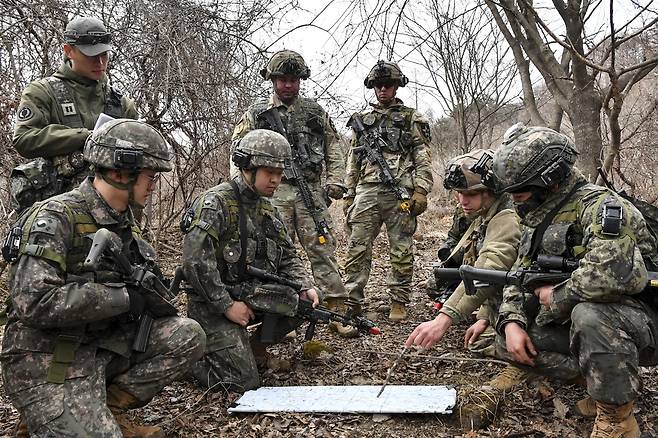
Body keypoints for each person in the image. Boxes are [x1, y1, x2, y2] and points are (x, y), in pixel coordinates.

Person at [0, 119, 205, 437]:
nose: (153, 185)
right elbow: (33, 302)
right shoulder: (55, 218)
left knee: (187, 335)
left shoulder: (125, 220)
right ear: (121, 172)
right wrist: (121, 298)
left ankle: (106, 409)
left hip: (99, 345)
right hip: (48, 357)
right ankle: (49, 413)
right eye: (151, 176)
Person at [492, 124, 658, 436]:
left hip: (645, 320)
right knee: (504, 338)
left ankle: (618, 420)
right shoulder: (538, 213)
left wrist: (556, 297)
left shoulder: (600, 207)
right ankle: (601, 383)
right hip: (611, 324)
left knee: (589, 314)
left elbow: (612, 276)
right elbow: (520, 272)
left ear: (549, 179)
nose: (515, 198)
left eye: (520, 190)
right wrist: (511, 322)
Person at [181, 129, 320, 392]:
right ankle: (189, 362)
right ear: (248, 166)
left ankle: (255, 351)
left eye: (280, 174)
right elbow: (195, 262)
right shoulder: (216, 203)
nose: (276, 181)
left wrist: (304, 285)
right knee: (244, 383)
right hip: (212, 306)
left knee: (301, 303)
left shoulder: (267, 208)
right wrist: (227, 306)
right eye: (270, 173)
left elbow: (288, 255)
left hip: (251, 296)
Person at [404, 150, 529, 430]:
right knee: (483, 342)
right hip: (511, 301)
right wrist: (485, 316)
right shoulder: (488, 213)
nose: (463, 201)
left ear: (491, 191)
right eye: (459, 193)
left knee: (507, 346)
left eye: (471, 194)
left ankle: (531, 367)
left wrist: (443, 319)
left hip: (539, 305)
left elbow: (491, 267)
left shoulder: (507, 218)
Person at [231, 50, 353, 336]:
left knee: (323, 249)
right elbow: (238, 153)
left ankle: (335, 308)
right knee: (273, 254)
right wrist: (244, 191)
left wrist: (335, 182)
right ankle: (285, 314)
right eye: (282, 79)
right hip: (272, 195)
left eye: (293, 80)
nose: (288, 85)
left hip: (310, 192)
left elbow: (333, 148)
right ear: (272, 80)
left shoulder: (314, 112)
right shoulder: (256, 113)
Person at [11, 16, 137, 213]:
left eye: (104, 54)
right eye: (91, 55)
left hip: (109, 215)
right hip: (53, 214)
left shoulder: (121, 105)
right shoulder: (42, 92)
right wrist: (85, 136)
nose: (100, 61)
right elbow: (24, 139)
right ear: (68, 51)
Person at [343, 60, 434, 321]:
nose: (383, 90)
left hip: (400, 193)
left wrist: (421, 189)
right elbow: (354, 159)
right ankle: (352, 300)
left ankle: (399, 301)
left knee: (401, 249)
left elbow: (422, 155)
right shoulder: (361, 121)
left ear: (396, 86)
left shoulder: (411, 118)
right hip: (367, 192)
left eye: (388, 85)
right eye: (378, 85)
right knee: (357, 247)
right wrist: (349, 193)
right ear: (372, 87)